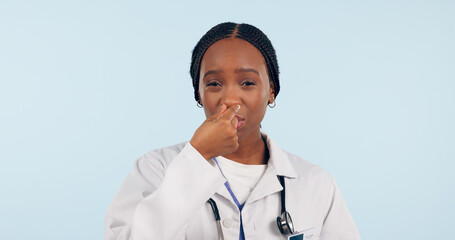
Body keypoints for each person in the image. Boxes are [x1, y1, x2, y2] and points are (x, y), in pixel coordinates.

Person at [104, 22, 360, 240]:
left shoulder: (315, 183)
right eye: (214, 83)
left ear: (271, 90)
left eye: (247, 83)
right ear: (199, 94)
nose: (230, 99)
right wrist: (197, 156)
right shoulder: (155, 169)